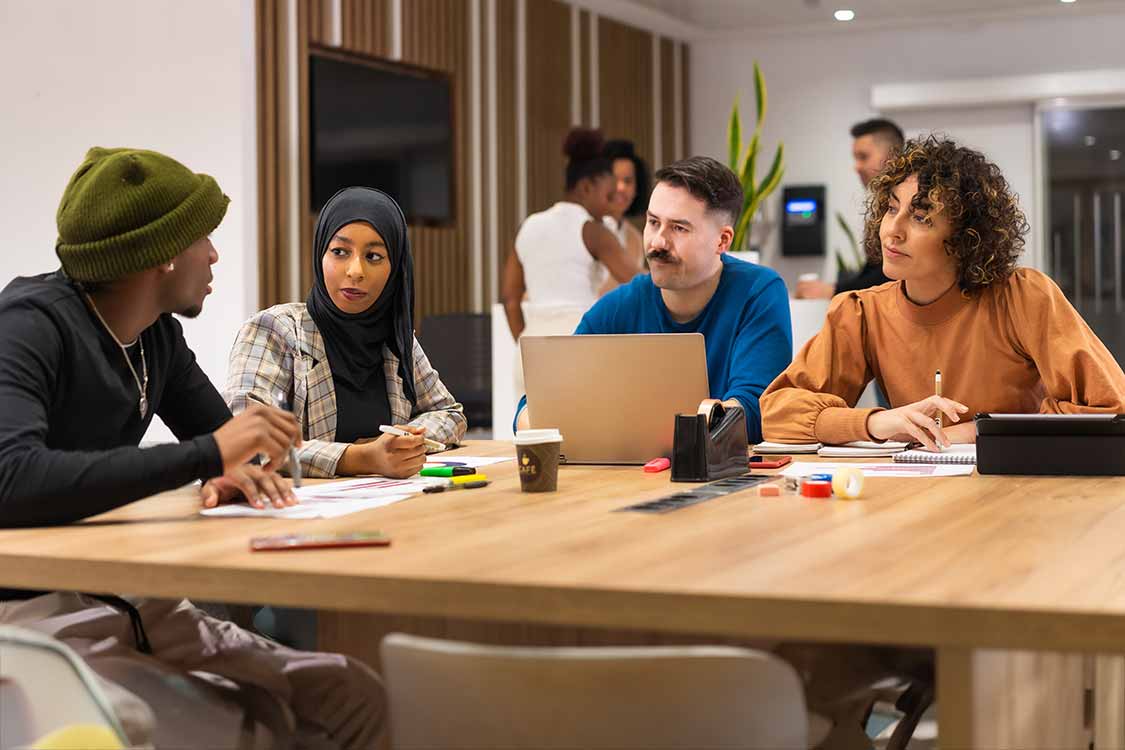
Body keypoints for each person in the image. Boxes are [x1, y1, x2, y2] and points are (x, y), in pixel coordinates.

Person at [0, 147, 385, 748]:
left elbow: (232, 446)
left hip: (132, 596)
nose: (213, 254)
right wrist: (209, 457)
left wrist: (241, 466)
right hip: (39, 617)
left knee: (350, 694)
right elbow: (13, 481)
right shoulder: (28, 327)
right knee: (257, 729)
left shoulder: (157, 338)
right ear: (161, 255)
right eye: (203, 237)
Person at [763, 135, 1125, 448]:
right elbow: (777, 413)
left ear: (966, 237)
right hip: (919, 497)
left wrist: (979, 431)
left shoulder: (1022, 297)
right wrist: (874, 424)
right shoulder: (861, 313)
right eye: (891, 209)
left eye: (921, 218)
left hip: (1017, 493)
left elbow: (1112, 407)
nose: (893, 230)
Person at [516, 156, 792, 444]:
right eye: (653, 222)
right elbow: (536, 406)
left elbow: (755, 412)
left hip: (721, 480)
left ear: (722, 241)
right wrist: (536, 420)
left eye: (679, 228)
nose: (658, 241)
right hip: (627, 479)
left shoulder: (758, 292)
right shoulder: (620, 306)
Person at [226, 186, 466, 480]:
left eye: (374, 256)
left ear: (395, 268)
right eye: (340, 252)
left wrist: (408, 440)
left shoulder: (394, 338)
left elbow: (450, 413)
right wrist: (358, 457)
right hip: (301, 516)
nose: (355, 271)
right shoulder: (275, 330)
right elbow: (244, 442)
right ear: (320, 255)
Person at [501, 127, 642, 343]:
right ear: (586, 188)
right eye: (609, 196)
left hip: (530, 347)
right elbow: (640, 282)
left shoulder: (528, 226)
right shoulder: (593, 231)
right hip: (578, 343)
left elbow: (511, 300)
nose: (612, 205)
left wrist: (524, 342)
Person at [795, 118, 903, 299]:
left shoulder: (904, 206)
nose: (857, 167)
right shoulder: (883, 205)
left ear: (891, 156)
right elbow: (874, 271)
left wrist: (833, 291)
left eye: (863, 157)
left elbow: (892, 275)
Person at [597, 139, 649, 294]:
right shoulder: (586, 230)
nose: (621, 188)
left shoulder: (635, 238)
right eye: (614, 179)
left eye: (628, 181)